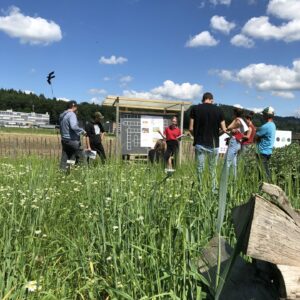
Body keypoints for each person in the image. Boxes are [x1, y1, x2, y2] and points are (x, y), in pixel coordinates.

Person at [189, 92, 227, 190]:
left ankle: (200, 189)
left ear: (203, 99)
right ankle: (213, 190)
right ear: (212, 100)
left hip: (200, 143)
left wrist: (196, 137)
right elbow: (224, 129)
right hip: (214, 144)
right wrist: (216, 135)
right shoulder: (219, 110)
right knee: (212, 169)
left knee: (199, 168)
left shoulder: (195, 109)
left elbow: (190, 128)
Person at [59, 101, 86, 170]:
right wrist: (82, 131)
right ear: (74, 107)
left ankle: (64, 173)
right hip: (72, 140)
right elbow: (74, 126)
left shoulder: (62, 115)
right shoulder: (71, 114)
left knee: (66, 158)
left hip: (64, 140)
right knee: (82, 157)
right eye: (76, 107)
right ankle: (82, 173)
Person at [225, 107, 249, 178]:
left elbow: (229, 127)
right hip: (238, 143)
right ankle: (234, 179)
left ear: (234, 113)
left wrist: (233, 123)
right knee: (234, 163)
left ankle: (225, 178)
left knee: (228, 161)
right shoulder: (242, 120)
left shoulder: (237, 120)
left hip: (234, 142)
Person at [255, 106, 276, 182]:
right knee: (265, 170)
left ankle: (266, 188)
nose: (262, 115)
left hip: (262, 151)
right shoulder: (273, 125)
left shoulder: (265, 126)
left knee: (262, 172)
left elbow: (255, 137)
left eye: (263, 114)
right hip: (268, 151)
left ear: (267, 115)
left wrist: (257, 131)